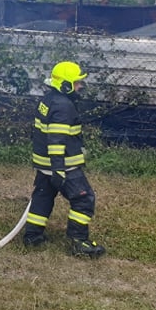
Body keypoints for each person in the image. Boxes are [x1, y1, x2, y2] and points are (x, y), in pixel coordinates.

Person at [22, 60, 106, 257]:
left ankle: (32, 236)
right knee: (83, 199)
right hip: (63, 165)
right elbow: (56, 139)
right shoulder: (63, 106)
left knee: (43, 197)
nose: (80, 86)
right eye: (77, 83)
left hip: (44, 163)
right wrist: (58, 169)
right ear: (65, 85)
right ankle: (80, 242)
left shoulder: (48, 99)